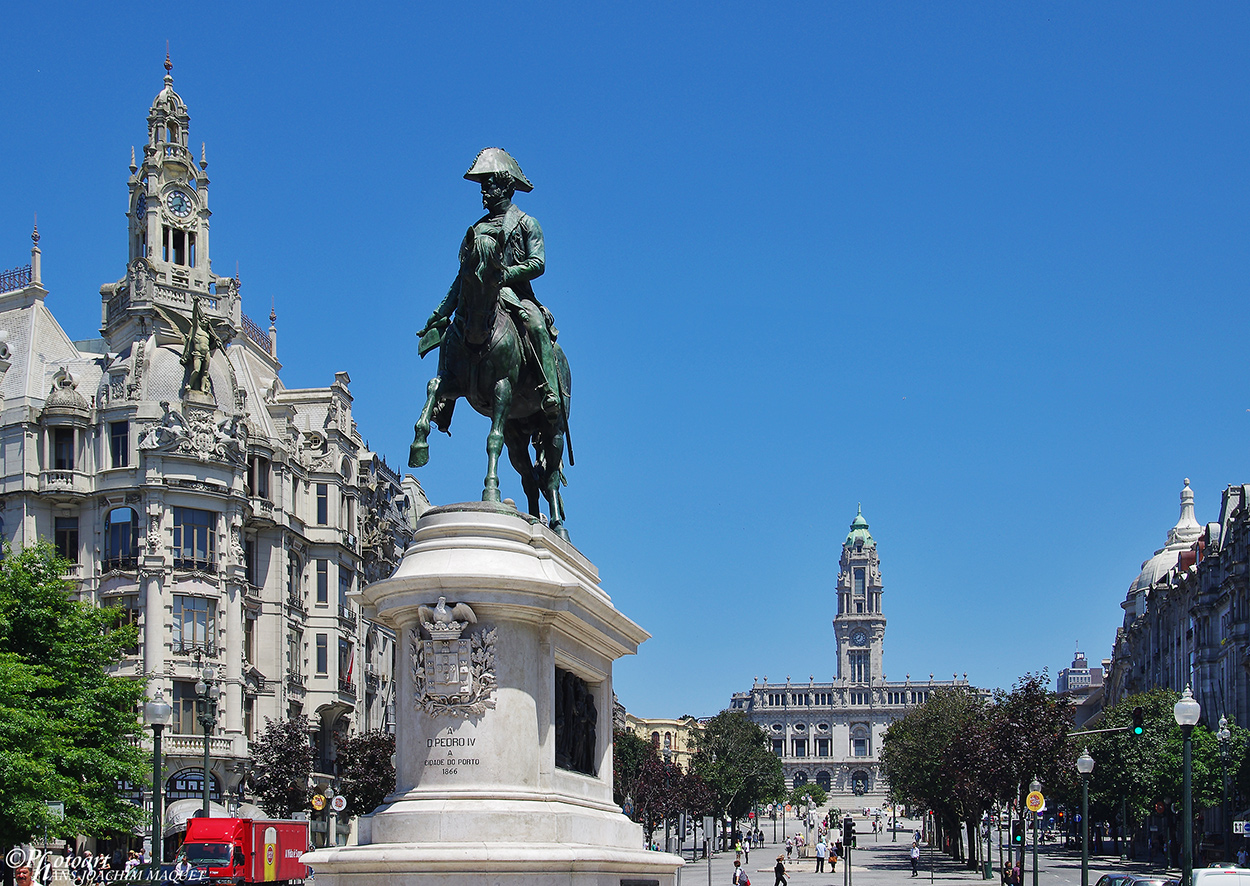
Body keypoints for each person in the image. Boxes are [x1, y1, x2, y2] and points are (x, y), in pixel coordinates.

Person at [422, 148, 562, 417]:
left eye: (490, 187)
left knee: (535, 324)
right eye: (483, 188)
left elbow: (538, 264)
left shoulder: (526, 223)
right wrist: (441, 312)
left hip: (516, 295)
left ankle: (549, 391)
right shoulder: (475, 231)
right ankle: (444, 404)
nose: (484, 193)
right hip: (479, 294)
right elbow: (462, 277)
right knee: (451, 333)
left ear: (505, 188)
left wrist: (504, 275)